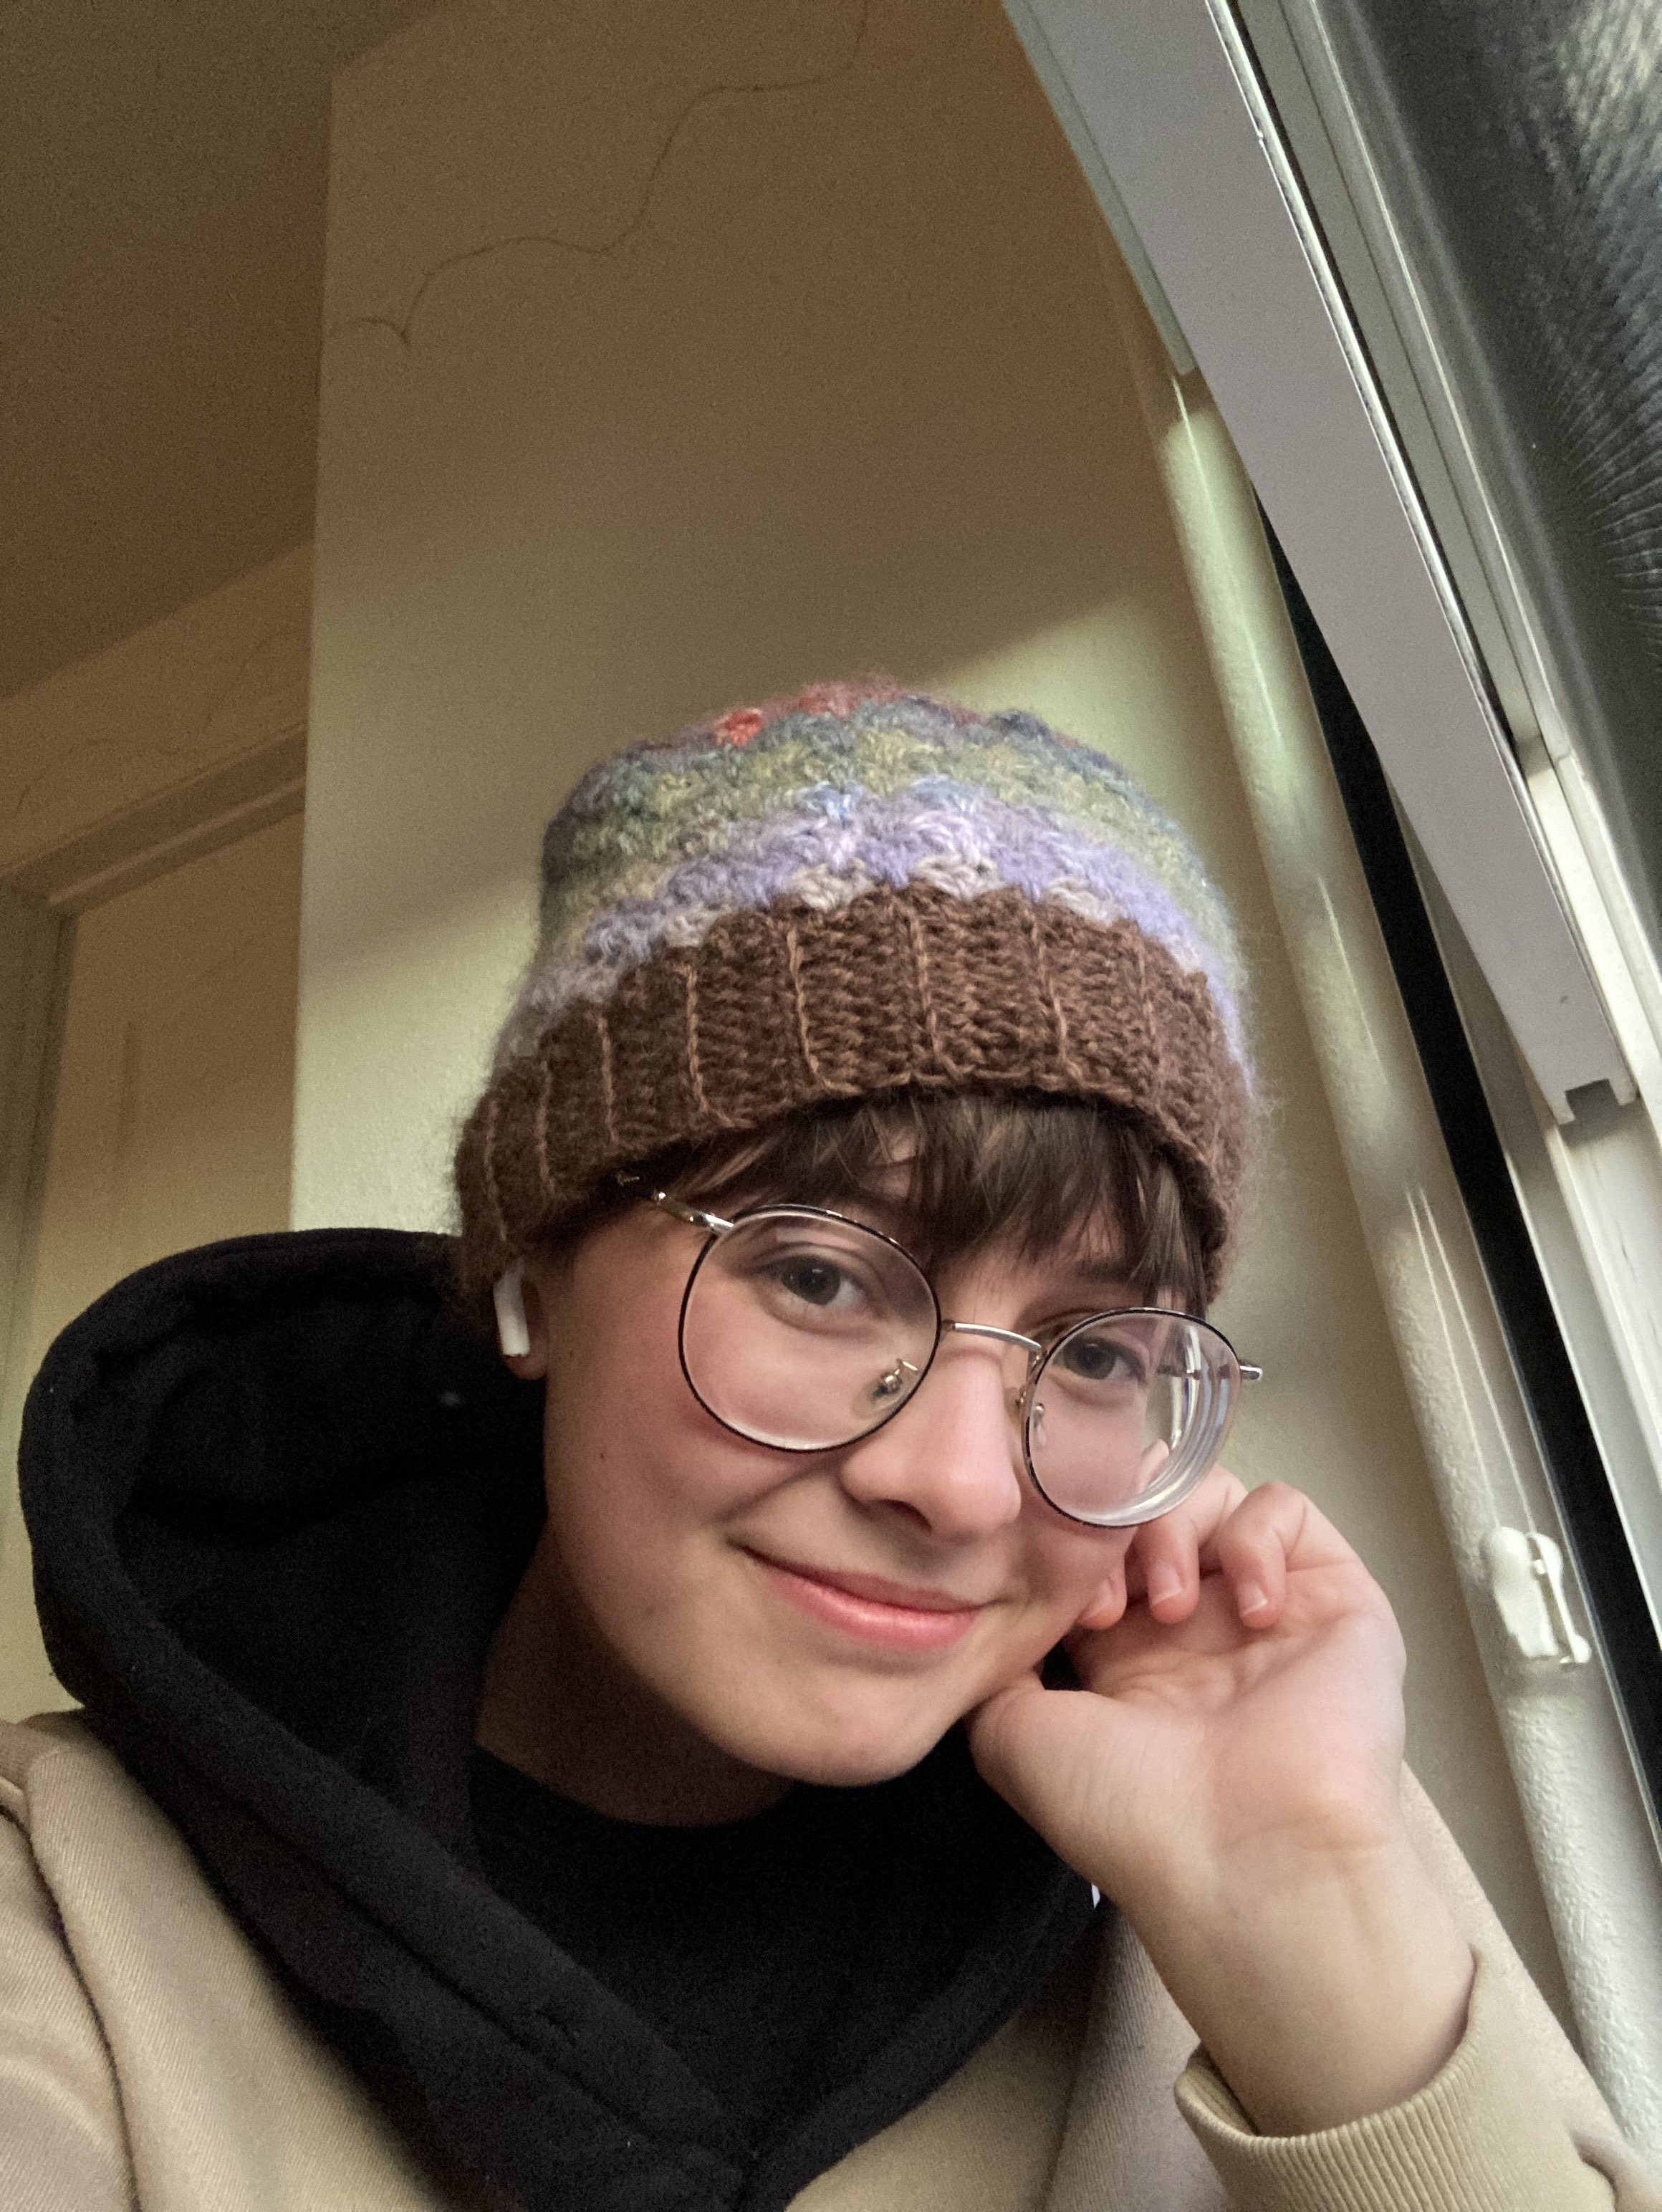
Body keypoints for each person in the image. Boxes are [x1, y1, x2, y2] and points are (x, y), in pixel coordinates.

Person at [2, 684, 1653, 2212]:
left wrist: (1308, 1930)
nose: (951, 1480)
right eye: (814, 1273)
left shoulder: (1247, 1815)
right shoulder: (70, 1909)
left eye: (1087, 1349)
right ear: (532, 1274)